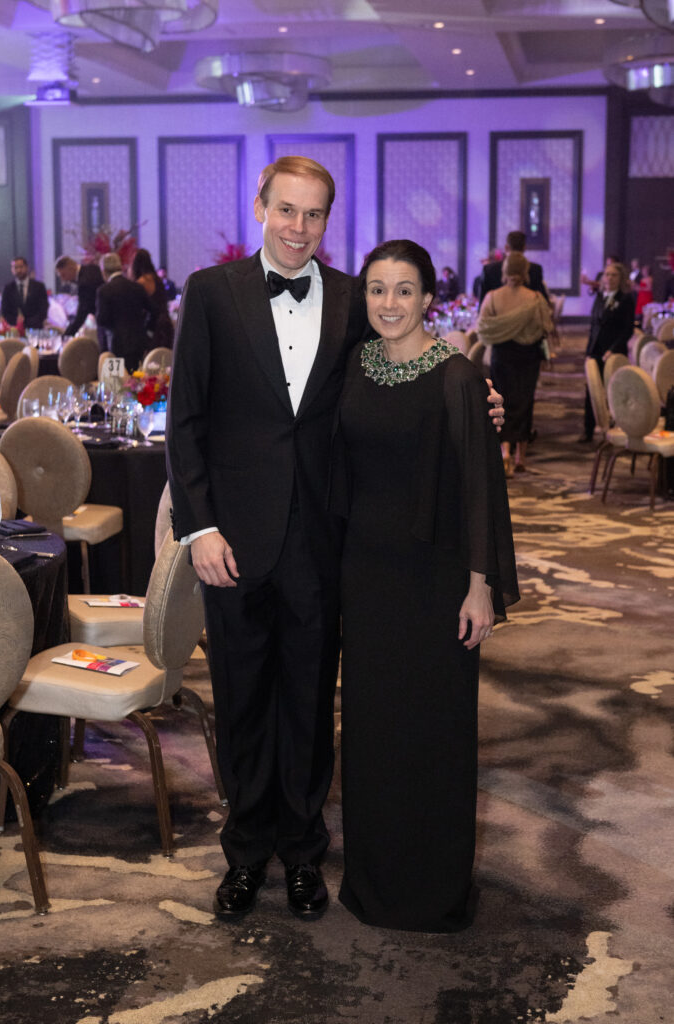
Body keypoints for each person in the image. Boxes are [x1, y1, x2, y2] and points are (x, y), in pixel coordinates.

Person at [166, 155, 506, 924]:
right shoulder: (211, 294)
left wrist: (475, 398)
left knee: (310, 703)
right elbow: (183, 424)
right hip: (234, 542)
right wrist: (201, 528)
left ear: (327, 222)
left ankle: (301, 852)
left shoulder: (355, 298)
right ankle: (246, 853)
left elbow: (407, 362)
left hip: (328, 541)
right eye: (285, 210)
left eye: (313, 214)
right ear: (259, 208)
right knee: (245, 701)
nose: (297, 227)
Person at [333, 239, 519, 932]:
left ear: (428, 298)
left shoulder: (459, 377)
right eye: (376, 289)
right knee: (374, 731)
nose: (388, 303)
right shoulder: (354, 364)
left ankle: (432, 889)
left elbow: (479, 490)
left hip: (436, 579)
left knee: (434, 731)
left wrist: (480, 587)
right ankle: (373, 878)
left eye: (403, 290)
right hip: (366, 576)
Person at [478, 252, 555, 474]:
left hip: (501, 356)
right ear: (525, 272)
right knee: (524, 402)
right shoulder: (535, 299)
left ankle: (505, 451)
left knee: (500, 402)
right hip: (527, 357)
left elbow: (483, 329)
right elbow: (545, 328)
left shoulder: (492, 297)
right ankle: (521, 455)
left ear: (504, 271)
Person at [579, 261, 635, 443]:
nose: (609, 278)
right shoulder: (600, 297)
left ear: (621, 279)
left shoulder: (626, 299)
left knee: (613, 391)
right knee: (591, 390)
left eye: (613, 275)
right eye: (607, 274)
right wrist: (588, 351)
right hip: (596, 350)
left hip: (614, 353)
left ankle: (615, 428)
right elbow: (594, 327)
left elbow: (627, 330)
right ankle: (588, 430)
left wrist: (613, 350)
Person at [95, 251, 152, 373]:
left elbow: (101, 319)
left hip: (115, 344)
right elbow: (153, 310)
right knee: (135, 381)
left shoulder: (104, 290)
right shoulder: (137, 287)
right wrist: (145, 327)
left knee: (117, 383)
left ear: (104, 271)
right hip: (138, 342)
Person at [478, 231, 548, 307]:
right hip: (526, 317)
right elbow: (543, 303)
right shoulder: (535, 269)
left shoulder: (489, 270)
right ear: (524, 248)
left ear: (506, 247)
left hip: (497, 316)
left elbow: (482, 303)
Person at [131, 248, 174, 349]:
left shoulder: (141, 282)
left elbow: (140, 309)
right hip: (165, 325)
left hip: (151, 328)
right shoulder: (158, 279)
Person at [54, 255, 104, 336]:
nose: (63, 280)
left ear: (70, 267)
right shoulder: (92, 268)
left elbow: (82, 313)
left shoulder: (84, 282)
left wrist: (66, 336)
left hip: (104, 321)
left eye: (63, 275)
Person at [0, 256, 49, 330]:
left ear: (27, 267)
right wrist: (17, 323)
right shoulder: (8, 288)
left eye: (21, 267)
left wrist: (27, 322)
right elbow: (5, 311)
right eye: (15, 267)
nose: (19, 270)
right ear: (12, 270)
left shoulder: (39, 287)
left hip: (35, 329)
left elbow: (43, 309)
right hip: (14, 329)